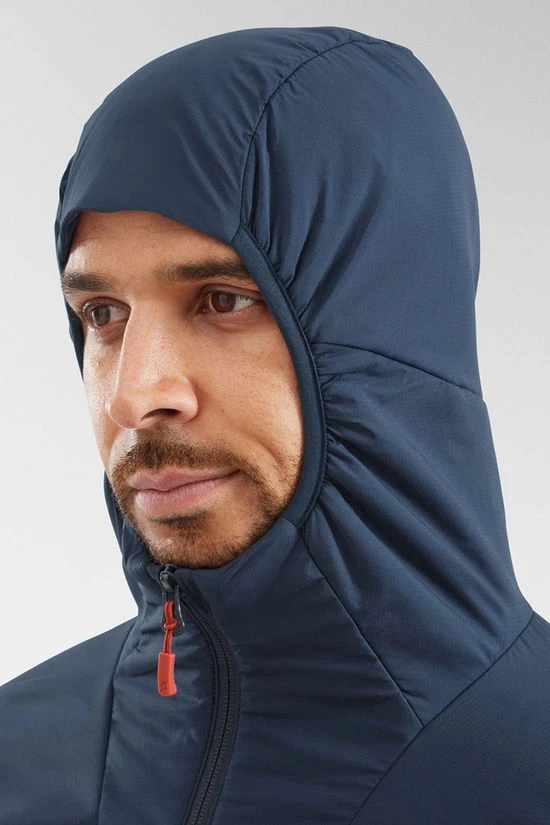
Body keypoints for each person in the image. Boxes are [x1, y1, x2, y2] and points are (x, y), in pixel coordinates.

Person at [1, 25, 549, 824]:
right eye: (103, 313)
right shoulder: (18, 759)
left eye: (222, 299)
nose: (134, 394)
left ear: (381, 328)